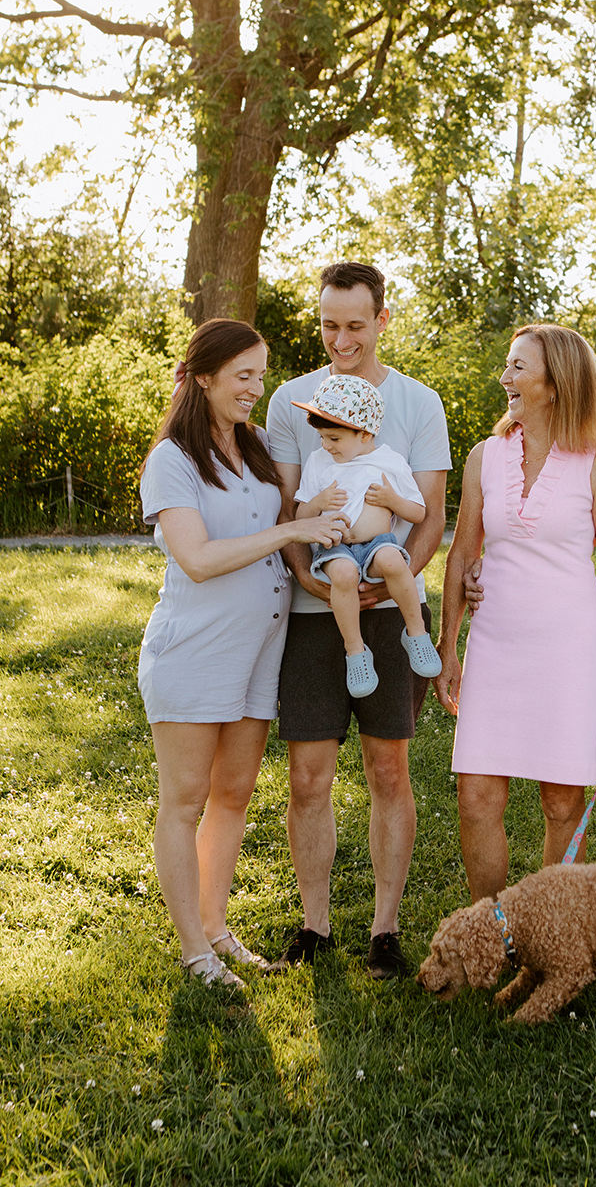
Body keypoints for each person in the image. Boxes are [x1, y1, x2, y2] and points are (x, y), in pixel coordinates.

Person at [138, 318, 345, 989]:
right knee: (185, 799)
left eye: (261, 374)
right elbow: (196, 559)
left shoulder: (255, 447)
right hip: (194, 653)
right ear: (203, 378)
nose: (257, 388)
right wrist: (291, 525)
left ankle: (216, 925)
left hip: (260, 652)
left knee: (232, 795)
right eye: (243, 376)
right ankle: (193, 949)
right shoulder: (173, 458)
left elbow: (311, 511)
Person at [265, 262, 450, 979]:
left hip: (391, 601)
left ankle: (384, 929)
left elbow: (429, 516)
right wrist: (305, 571)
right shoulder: (289, 400)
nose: (340, 339)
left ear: (381, 320)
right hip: (315, 610)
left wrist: (392, 581)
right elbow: (288, 509)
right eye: (327, 325)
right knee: (308, 776)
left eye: (353, 324)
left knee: (387, 769)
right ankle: (313, 925)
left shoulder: (417, 402)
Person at [434, 324, 596, 902]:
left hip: (567, 652)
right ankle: (487, 930)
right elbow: (462, 552)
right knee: (475, 798)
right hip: (494, 645)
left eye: (518, 367)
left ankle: (552, 937)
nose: (505, 378)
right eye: (508, 364)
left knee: (563, 803)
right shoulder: (484, 457)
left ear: (556, 382)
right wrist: (448, 646)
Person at [292, 375, 442, 696]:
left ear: (363, 433)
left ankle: (415, 633)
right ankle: (356, 651)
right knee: (344, 574)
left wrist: (392, 501)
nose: (325, 445)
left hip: (377, 545)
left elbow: (418, 513)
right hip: (337, 547)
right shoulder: (320, 462)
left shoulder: (390, 462)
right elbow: (299, 518)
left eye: (333, 438)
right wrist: (318, 503)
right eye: (322, 437)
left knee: (392, 560)